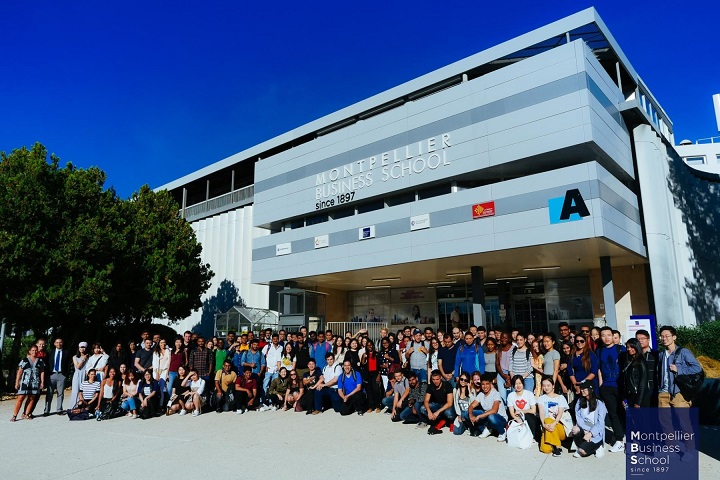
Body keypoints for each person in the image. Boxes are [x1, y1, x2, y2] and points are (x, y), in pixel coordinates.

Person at [657, 325, 703, 408]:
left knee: (683, 420)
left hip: (679, 393)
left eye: (667, 336)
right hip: (663, 393)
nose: (664, 338)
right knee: (664, 421)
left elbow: (697, 368)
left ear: (674, 337)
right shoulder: (661, 354)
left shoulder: (684, 352)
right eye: (662, 336)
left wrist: (679, 369)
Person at [597, 326, 626, 452]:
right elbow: (599, 369)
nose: (606, 338)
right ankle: (619, 440)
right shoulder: (599, 351)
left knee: (624, 412)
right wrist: (601, 385)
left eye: (609, 335)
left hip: (621, 387)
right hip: (607, 387)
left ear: (613, 335)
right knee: (613, 414)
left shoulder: (621, 349)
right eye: (603, 335)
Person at [571, 380, 607, 458]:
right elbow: (579, 418)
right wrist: (585, 430)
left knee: (582, 452)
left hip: (596, 431)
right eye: (582, 388)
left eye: (585, 389)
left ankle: (598, 446)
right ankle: (582, 446)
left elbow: (600, 423)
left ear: (591, 390)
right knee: (575, 429)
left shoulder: (600, 404)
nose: (582, 390)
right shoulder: (579, 401)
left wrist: (591, 433)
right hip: (585, 429)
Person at [467, 375, 507, 440]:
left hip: (499, 419)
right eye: (483, 384)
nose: (485, 386)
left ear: (490, 384)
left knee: (491, 416)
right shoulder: (481, 394)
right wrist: (471, 415)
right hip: (487, 417)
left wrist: (479, 416)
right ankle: (487, 429)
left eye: (487, 384)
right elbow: (471, 406)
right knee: (467, 413)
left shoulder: (496, 394)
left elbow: (494, 410)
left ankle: (502, 432)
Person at [11, 345, 45, 422]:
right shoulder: (25, 360)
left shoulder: (40, 361)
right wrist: (17, 382)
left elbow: (42, 372)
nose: (34, 352)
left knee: (32, 398)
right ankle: (14, 415)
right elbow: (19, 372)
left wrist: (42, 382)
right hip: (25, 382)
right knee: (20, 398)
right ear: (29, 351)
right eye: (33, 350)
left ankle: (26, 414)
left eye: (36, 350)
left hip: (35, 382)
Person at [537, 376, 568, 456]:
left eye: (548, 385)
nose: (546, 388)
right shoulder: (541, 398)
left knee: (548, 419)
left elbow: (560, 413)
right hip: (547, 427)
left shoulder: (560, 398)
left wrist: (554, 423)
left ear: (553, 386)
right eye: (544, 386)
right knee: (545, 449)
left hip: (559, 426)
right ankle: (554, 444)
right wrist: (543, 425)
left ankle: (558, 446)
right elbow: (541, 412)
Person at [420, 369, 455, 435]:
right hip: (437, 405)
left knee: (449, 413)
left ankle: (450, 421)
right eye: (433, 379)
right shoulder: (430, 386)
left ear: (441, 377)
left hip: (446, 406)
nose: (435, 381)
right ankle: (439, 420)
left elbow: (450, 402)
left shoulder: (447, 385)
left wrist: (437, 412)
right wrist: (429, 412)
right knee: (423, 409)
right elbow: (426, 400)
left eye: (437, 379)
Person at [507, 375, 539, 442]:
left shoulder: (529, 394)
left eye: (520, 383)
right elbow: (512, 412)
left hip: (529, 415)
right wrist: (518, 420)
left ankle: (532, 435)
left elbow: (533, 410)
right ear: (513, 385)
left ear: (523, 384)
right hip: (517, 417)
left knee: (528, 416)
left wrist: (521, 411)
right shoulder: (511, 396)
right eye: (516, 384)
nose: (518, 386)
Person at [43, 337, 70, 416]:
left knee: (60, 393)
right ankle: (47, 410)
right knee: (49, 393)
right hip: (52, 374)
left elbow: (68, 364)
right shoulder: (50, 352)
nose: (59, 344)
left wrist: (66, 375)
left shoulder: (66, 352)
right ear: (54, 343)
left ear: (62, 343)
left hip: (61, 374)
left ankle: (59, 409)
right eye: (57, 342)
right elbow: (47, 364)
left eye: (60, 342)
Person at [623, 338, 649, 408]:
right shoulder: (628, 361)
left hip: (639, 396)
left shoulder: (641, 361)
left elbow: (643, 382)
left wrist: (638, 401)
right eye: (628, 347)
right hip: (630, 395)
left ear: (636, 347)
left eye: (632, 347)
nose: (629, 349)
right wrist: (624, 398)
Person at [361, 341, 382, 412]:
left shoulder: (377, 354)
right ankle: (371, 406)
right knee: (369, 390)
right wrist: (364, 357)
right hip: (368, 374)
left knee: (376, 390)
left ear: (373, 346)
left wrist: (379, 375)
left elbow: (379, 366)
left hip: (375, 374)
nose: (370, 346)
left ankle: (378, 406)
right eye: (368, 345)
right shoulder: (365, 354)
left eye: (371, 345)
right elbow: (362, 364)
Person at [152, 338, 171, 407]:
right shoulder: (156, 352)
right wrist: (157, 373)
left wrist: (167, 373)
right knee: (156, 389)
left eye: (164, 342)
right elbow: (154, 364)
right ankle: (156, 404)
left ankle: (161, 405)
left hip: (165, 371)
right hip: (157, 371)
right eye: (161, 343)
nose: (163, 344)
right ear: (159, 344)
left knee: (162, 388)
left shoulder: (168, 351)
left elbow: (169, 362)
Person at [70, 342, 89, 411]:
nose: (82, 348)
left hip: (85, 375)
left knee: (84, 392)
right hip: (77, 375)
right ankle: (73, 407)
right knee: (75, 391)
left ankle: (82, 407)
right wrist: (83, 359)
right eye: (81, 347)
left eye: (83, 347)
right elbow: (78, 367)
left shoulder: (89, 357)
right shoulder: (75, 357)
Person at [496, 331, 513, 403]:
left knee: (512, 394)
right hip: (501, 373)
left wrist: (509, 376)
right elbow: (497, 364)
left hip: (512, 372)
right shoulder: (498, 349)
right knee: (502, 396)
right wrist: (504, 376)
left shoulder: (514, 348)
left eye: (506, 338)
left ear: (509, 339)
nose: (504, 339)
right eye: (502, 338)